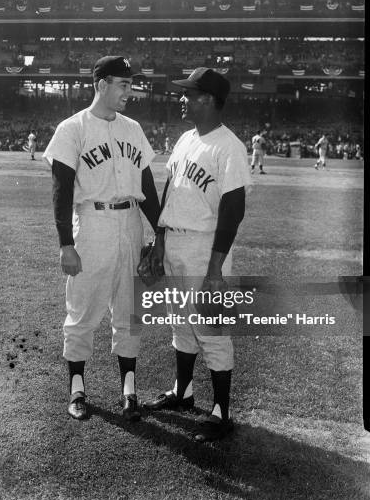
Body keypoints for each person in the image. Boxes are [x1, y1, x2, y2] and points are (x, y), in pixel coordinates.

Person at [42, 56, 161, 422]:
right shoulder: (72, 128)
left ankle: (129, 388)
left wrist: (160, 234)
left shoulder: (133, 129)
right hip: (91, 223)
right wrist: (66, 243)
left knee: (129, 309)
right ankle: (77, 387)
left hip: (131, 223)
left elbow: (147, 187)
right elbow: (61, 191)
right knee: (83, 309)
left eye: (131, 84)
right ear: (101, 85)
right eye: (123, 85)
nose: (130, 91)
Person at [143, 67, 251, 443]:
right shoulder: (186, 139)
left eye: (189, 94)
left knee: (211, 327)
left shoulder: (229, 147)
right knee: (180, 322)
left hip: (206, 247)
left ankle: (221, 414)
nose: (183, 99)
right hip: (174, 240)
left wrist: (216, 269)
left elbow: (233, 210)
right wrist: (158, 239)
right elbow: (170, 191)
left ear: (208, 100)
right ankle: (183, 392)